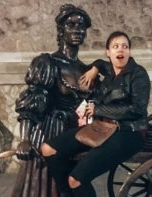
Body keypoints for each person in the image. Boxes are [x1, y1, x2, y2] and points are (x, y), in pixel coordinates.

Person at [40, 31, 151, 196]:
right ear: (108, 52)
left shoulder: (138, 74)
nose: (120, 50)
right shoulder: (108, 70)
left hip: (129, 132)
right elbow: (100, 63)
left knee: (76, 179)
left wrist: (98, 110)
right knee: (48, 149)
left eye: (125, 47)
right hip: (101, 127)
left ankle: (74, 184)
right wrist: (95, 68)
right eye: (115, 46)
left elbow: (138, 109)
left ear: (129, 51)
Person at [12, 4, 96, 197]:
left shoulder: (86, 69)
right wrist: (25, 140)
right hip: (50, 132)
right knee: (46, 188)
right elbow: (31, 104)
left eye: (81, 26)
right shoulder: (47, 63)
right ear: (61, 30)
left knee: (75, 183)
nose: (77, 30)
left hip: (77, 134)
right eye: (71, 25)